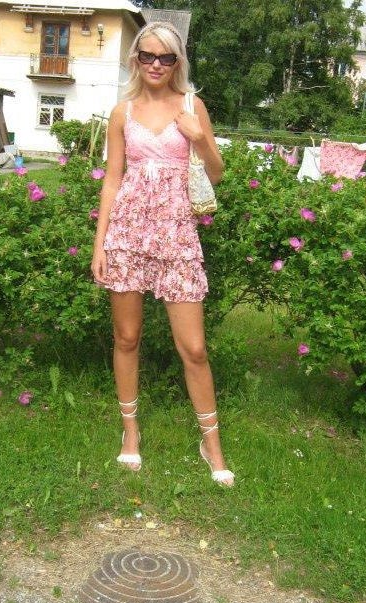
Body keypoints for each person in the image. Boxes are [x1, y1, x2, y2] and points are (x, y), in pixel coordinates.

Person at [90, 22, 234, 487]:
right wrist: (100, 243)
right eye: (148, 56)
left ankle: (211, 443)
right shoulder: (122, 112)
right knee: (126, 337)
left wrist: (199, 137)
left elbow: (216, 174)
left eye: (166, 57)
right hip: (127, 233)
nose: (156, 64)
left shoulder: (192, 106)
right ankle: (130, 432)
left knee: (194, 347)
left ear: (178, 62)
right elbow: (113, 178)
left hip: (175, 234)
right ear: (135, 59)